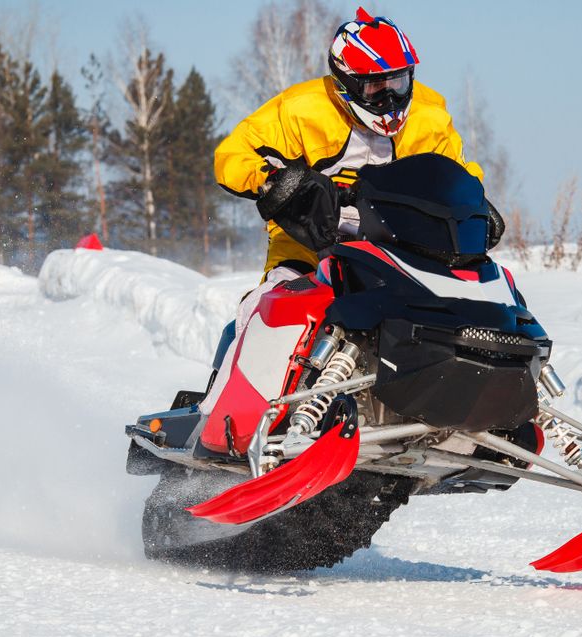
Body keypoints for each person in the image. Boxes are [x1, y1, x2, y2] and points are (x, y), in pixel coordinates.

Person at [200, 6, 500, 416]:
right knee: (268, 305)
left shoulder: (429, 114)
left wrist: (478, 205)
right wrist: (273, 181)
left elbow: (458, 172)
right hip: (307, 243)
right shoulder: (301, 109)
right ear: (345, 83)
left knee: (456, 304)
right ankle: (221, 416)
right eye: (376, 87)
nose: (391, 96)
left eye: (398, 81)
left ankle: (460, 405)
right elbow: (232, 155)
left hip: (399, 246)